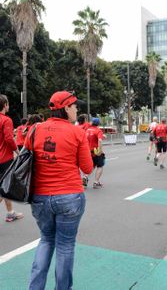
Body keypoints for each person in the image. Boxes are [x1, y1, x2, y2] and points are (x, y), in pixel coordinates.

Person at [24, 90, 93, 290]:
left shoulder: (35, 129)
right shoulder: (77, 132)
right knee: (65, 245)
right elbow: (87, 168)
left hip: (40, 197)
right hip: (70, 196)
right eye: (74, 106)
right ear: (65, 108)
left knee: (46, 240)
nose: (77, 109)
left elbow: (27, 157)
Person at [0, 94, 23, 222]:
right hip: (4, 159)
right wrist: (17, 150)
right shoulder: (6, 120)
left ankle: (10, 213)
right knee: (5, 187)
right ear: (5, 105)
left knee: (5, 187)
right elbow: (9, 138)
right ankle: (10, 213)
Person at [85, 117, 106, 188]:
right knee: (100, 166)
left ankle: (85, 177)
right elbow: (99, 140)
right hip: (96, 151)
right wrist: (100, 150)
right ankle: (96, 182)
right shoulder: (98, 131)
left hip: (88, 151)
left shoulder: (87, 130)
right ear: (98, 123)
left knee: (92, 165)